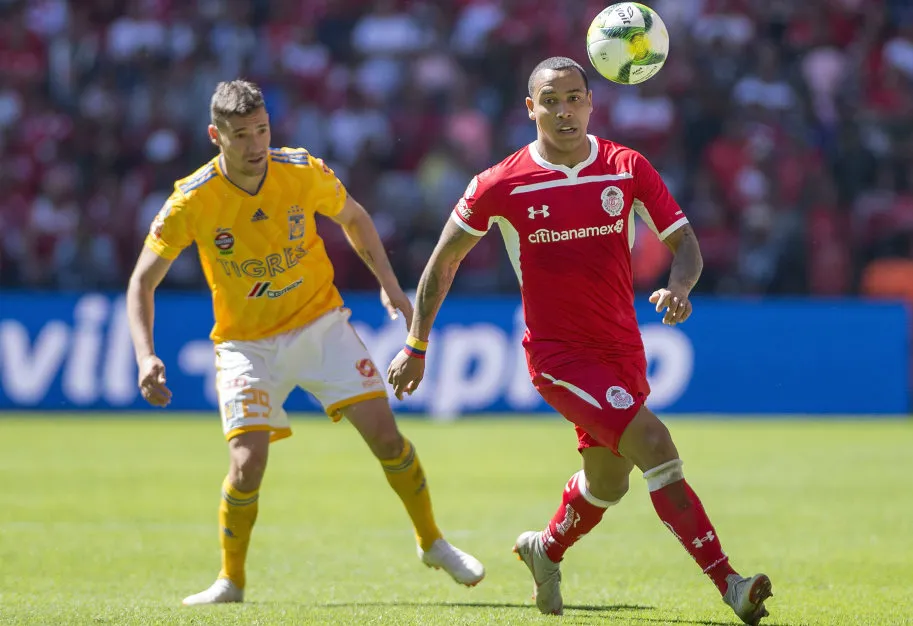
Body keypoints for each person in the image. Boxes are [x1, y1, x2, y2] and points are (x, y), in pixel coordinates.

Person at [387, 57, 773, 625]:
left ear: (592, 102)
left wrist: (679, 286)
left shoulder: (626, 167)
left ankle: (545, 550)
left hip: (623, 349)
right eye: (551, 100)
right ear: (530, 108)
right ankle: (731, 583)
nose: (564, 111)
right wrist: (416, 344)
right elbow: (441, 265)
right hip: (559, 357)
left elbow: (685, 242)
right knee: (656, 446)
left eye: (574, 98)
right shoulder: (502, 183)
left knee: (607, 481)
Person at [126, 79, 484, 606]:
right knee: (246, 466)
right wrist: (145, 355)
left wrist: (390, 289)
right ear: (215, 135)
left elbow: (355, 219)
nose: (255, 145)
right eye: (242, 134)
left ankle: (432, 541)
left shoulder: (299, 171)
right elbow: (142, 282)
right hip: (245, 346)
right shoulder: (192, 200)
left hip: (321, 326)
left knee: (388, 440)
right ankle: (231, 581)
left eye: (262, 130)